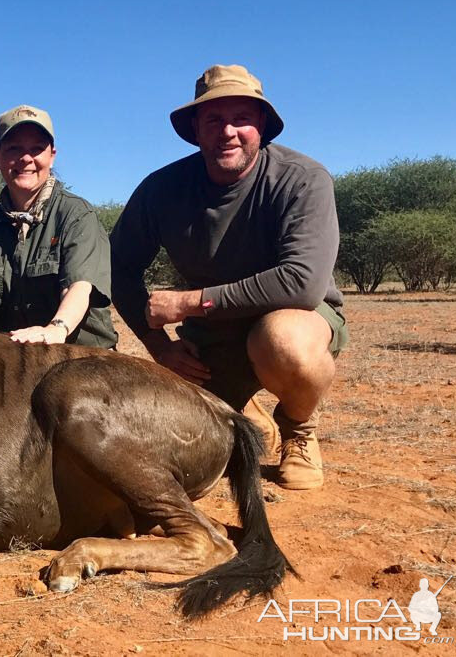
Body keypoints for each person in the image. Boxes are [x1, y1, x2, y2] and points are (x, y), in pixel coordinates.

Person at [109, 64, 349, 490]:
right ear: (196, 129)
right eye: (214, 120)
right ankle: (244, 412)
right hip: (212, 338)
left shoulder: (303, 179)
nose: (228, 132)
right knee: (177, 446)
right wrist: (159, 347)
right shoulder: (161, 188)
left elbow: (304, 282)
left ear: (261, 126)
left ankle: (298, 427)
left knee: (282, 341)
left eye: (242, 119)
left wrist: (186, 303)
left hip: (295, 319)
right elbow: (118, 267)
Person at [0, 105, 117, 348]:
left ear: (52, 155)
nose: (26, 158)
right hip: (7, 365)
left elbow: (78, 287)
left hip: (79, 359)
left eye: (36, 149)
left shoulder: (77, 215)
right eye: (14, 148)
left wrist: (56, 329)